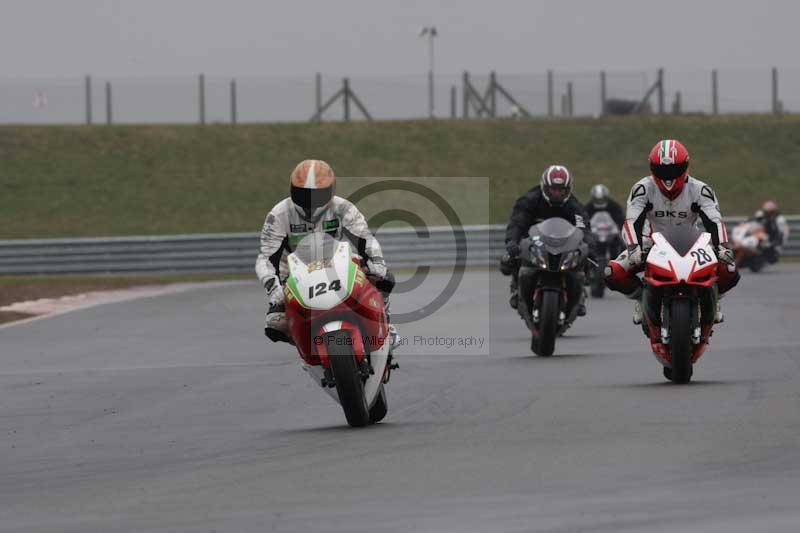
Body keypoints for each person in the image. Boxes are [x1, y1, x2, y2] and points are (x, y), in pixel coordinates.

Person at [255, 159, 398, 347]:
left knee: (384, 279)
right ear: (292, 190)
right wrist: (274, 288)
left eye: (318, 194)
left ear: (331, 190)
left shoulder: (343, 207)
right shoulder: (279, 214)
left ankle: (386, 325)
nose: (311, 202)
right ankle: (307, 347)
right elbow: (266, 257)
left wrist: (377, 262)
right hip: (293, 271)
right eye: (303, 195)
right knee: (275, 322)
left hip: (337, 263)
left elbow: (365, 238)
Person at [605, 139, 739, 324]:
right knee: (613, 273)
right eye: (662, 170)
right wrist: (633, 248)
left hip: (692, 243)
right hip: (650, 243)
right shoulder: (642, 189)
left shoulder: (701, 190)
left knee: (729, 269)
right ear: (652, 168)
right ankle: (642, 298)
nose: (668, 177)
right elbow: (631, 221)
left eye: (673, 170)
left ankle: (714, 299)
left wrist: (722, 247)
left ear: (686, 166)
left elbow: (714, 220)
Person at [500, 164, 594, 315]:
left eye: (561, 190)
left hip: (563, 245)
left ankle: (579, 295)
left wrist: (590, 249)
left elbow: (584, 228)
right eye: (553, 189)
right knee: (512, 257)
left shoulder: (574, 205)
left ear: (567, 189)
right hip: (534, 242)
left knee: (586, 260)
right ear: (545, 187)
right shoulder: (529, 200)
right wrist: (512, 242)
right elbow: (517, 222)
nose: (557, 194)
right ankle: (517, 288)